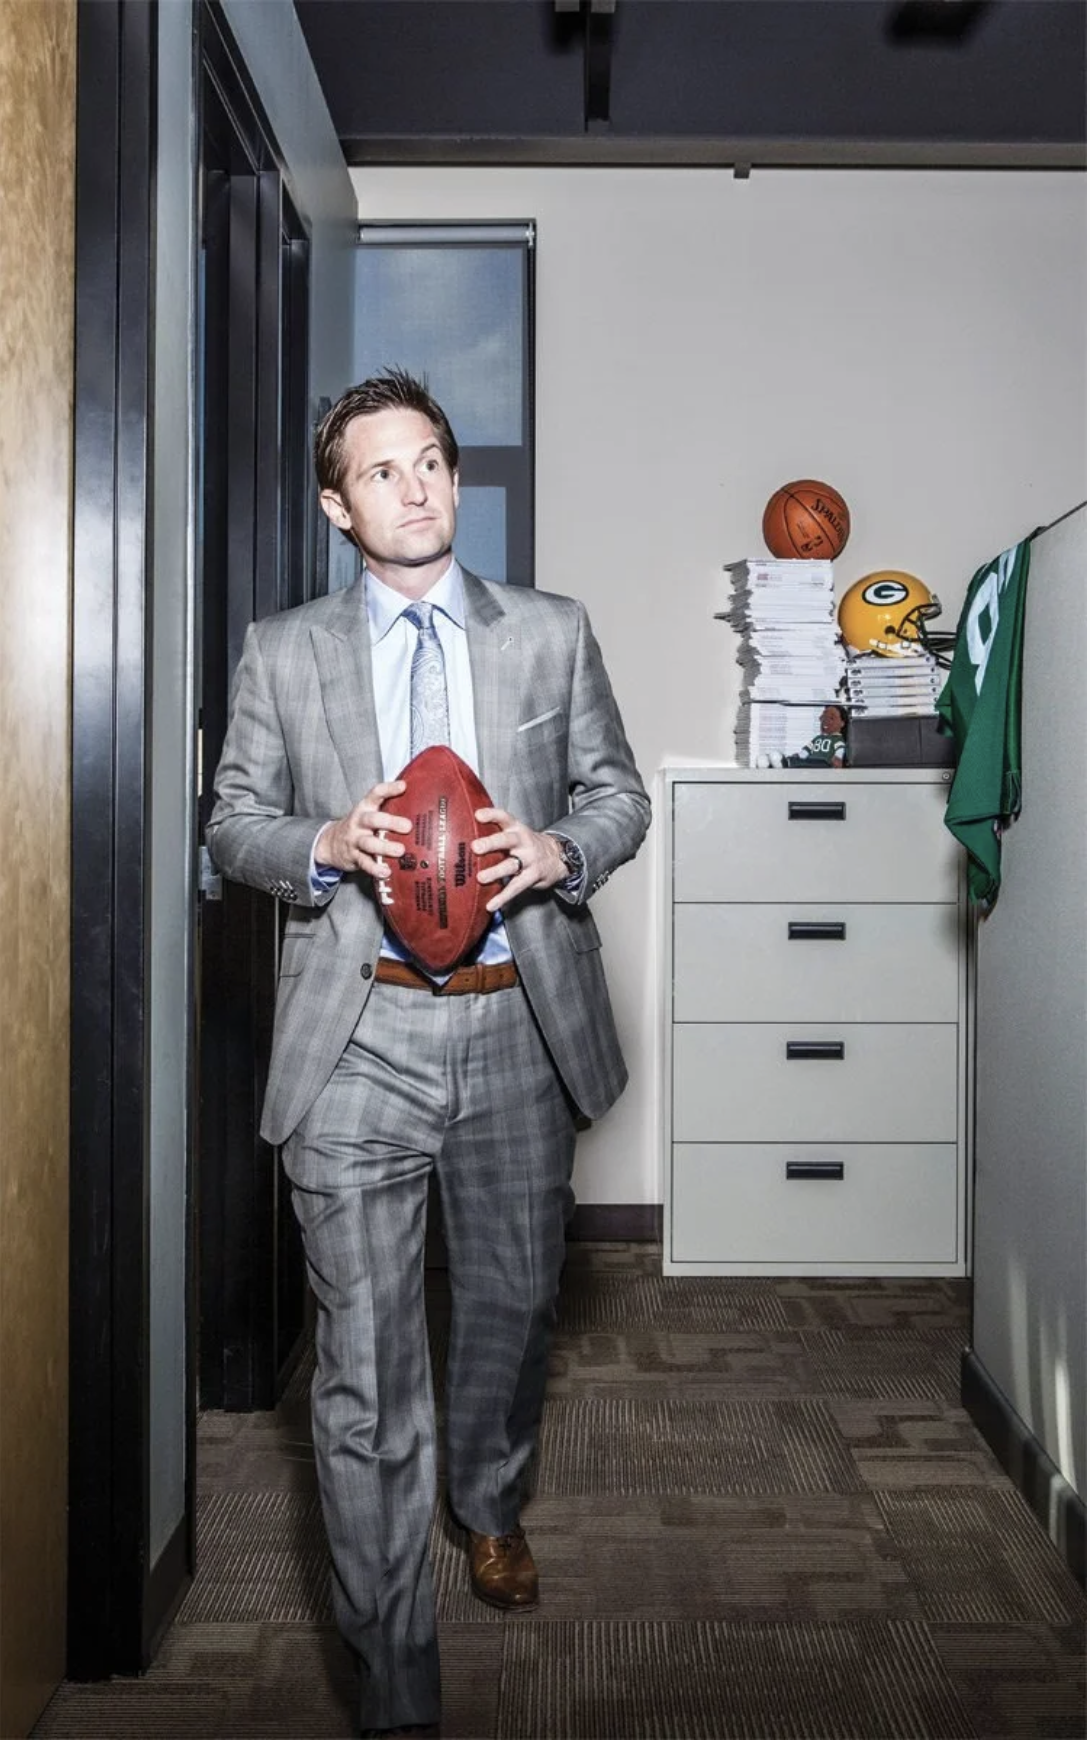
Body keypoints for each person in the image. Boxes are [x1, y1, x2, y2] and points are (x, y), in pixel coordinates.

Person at [207, 368, 650, 1738]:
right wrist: (324, 844)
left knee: (511, 1316)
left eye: (432, 463)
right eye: (382, 472)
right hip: (358, 1036)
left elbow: (617, 794)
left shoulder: (551, 635)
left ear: (454, 481)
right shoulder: (283, 651)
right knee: (365, 1370)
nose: (415, 488)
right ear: (338, 507)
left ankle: (492, 1501)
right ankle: (396, 1684)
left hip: (520, 1025)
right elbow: (231, 832)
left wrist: (562, 849)